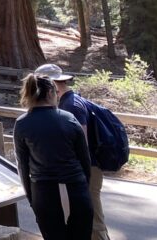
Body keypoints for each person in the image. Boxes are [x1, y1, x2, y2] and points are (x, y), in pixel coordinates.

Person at [35, 63, 110, 240]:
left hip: (87, 166)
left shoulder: (71, 105)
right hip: (84, 166)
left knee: (93, 215)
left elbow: (81, 142)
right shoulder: (70, 101)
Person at [14, 73, 93, 240]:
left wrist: (31, 197)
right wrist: (85, 186)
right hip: (76, 188)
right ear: (51, 93)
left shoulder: (22, 123)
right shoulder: (69, 119)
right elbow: (85, 159)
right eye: (56, 92)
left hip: (43, 192)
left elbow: (23, 166)